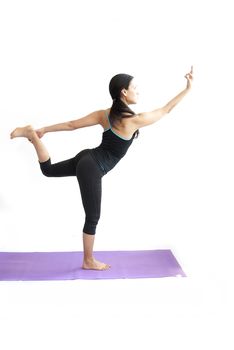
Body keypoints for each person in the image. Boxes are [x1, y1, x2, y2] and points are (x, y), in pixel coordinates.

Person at [10, 67, 193, 271]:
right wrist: (187, 89)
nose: (138, 91)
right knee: (93, 217)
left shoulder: (105, 115)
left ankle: (32, 135)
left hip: (86, 158)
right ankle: (88, 261)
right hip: (92, 167)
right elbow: (165, 109)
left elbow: (72, 125)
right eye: (135, 87)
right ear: (124, 92)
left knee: (48, 170)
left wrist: (43, 130)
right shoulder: (134, 121)